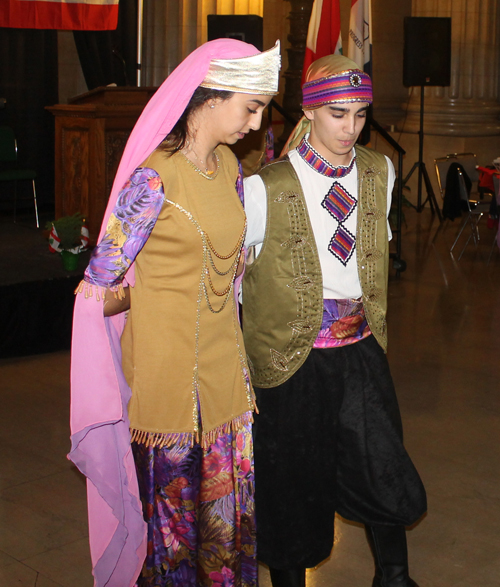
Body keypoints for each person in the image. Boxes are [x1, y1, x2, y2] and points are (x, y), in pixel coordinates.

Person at [69, 38, 280, 587]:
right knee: (178, 534)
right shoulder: (153, 179)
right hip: (171, 386)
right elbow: (97, 285)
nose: (255, 124)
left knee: (224, 526)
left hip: (227, 378)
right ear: (208, 97)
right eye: (250, 106)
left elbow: (227, 259)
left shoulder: (231, 165)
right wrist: (149, 292)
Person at [241, 55, 427, 587]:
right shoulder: (266, 187)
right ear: (310, 111)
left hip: (361, 348)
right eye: (338, 115)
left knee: (381, 464)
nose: (351, 129)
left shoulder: (378, 171)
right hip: (289, 361)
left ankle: (394, 578)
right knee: (292, 482)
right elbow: (237, 283)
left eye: (361, 114)